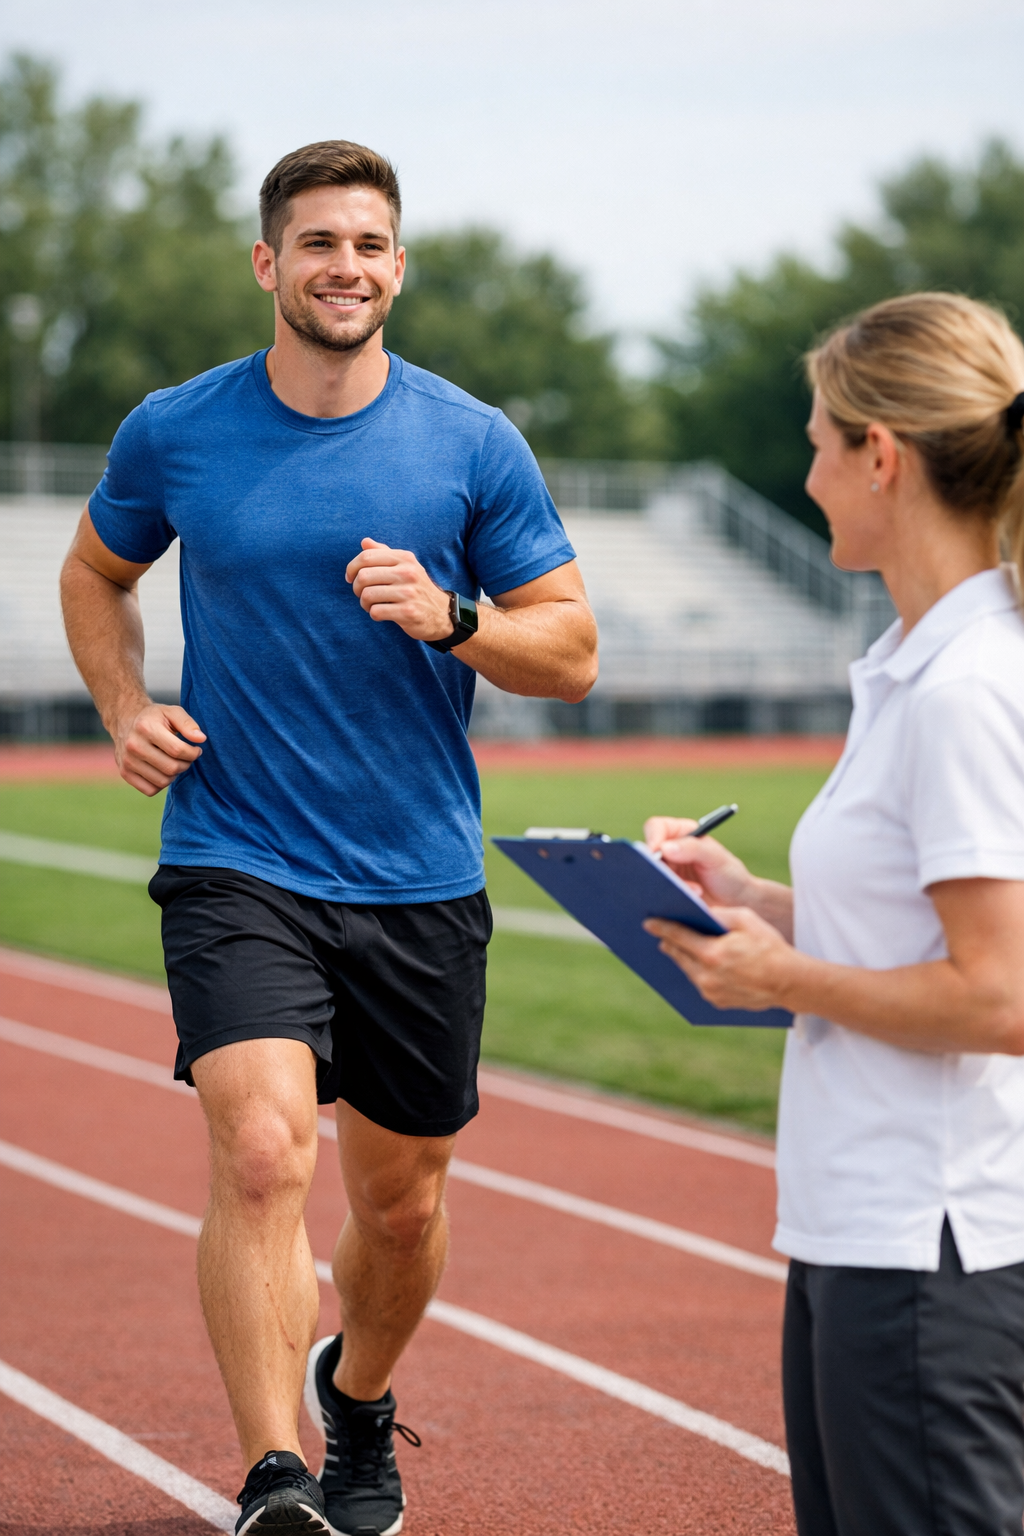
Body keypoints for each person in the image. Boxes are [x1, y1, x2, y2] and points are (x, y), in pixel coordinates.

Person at [60, 139, 597, 1536]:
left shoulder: (472, 442)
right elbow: (95, 569)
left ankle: (356, 1397)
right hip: (236, 854)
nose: (344, 267)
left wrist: (458, 616)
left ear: (396, 269)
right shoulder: (177, 429)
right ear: (268, 264)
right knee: (258, 1153)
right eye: (317, 244)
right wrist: (124, 705)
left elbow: (575, 651)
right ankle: (274, 1471)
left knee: (404, 1211)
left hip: (418, 871)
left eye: (368, 245)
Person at [643, 293, 1024, 1536]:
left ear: (884, 456)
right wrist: (750, 903)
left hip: (931, 1247)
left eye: (817, 443)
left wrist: (781, 977)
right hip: (863, 1231)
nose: (804, 476)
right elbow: (906, 930)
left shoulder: (965, 688)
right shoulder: (912, 668)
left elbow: (1000, 996)